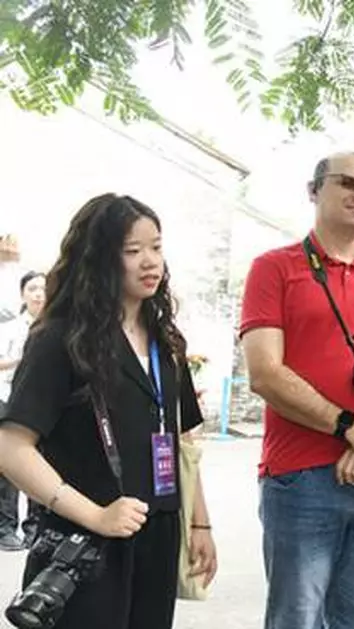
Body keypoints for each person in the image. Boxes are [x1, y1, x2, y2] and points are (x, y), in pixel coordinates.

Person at [0, 194, 217, 628]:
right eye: (132, 251)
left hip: (156, 534)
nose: (149, 261)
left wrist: (199, 525)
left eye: (156, 247)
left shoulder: (166, 342)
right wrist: (96, 514)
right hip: (82, 544)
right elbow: (11, 446)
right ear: (98, 257)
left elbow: (179, 439)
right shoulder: (61, 339)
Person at [240, 151, 354, 629]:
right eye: (349, 183)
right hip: (300, 477)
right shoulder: (273, 268)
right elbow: (265, 373)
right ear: (314, 190)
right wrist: (351, 429)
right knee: (297, 618)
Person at [0, 271, 46, 549]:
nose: (39, 293)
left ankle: (35, 527)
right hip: (9, 399)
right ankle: (5, 527)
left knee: (40, 465)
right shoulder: (10, 329)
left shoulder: (58, 326)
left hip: (44, 403)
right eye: (32, 288)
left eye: (43, 288)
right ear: (23, 294)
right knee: (8, 467)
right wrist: (23, 359)